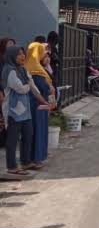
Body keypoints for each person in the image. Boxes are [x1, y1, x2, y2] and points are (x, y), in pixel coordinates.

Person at [2, 45, 49, 175]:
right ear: (12, 56)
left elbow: (33, 87)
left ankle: (26, 161)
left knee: (28, 135)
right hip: (13, 112)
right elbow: (21, 88)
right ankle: (11, 166)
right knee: (12, 139)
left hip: (25, 111)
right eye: (19, 54)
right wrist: (28, 84)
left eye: (23, 54)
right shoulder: (9, 71)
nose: (22, 57)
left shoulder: (23, 70)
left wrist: (43, 100)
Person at [26, 42, 55, 168]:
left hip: (38, 105)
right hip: (37, 105)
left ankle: (37, 158)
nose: (45, 55)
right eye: (43, 52)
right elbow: (41, 86)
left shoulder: (35, 67)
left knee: (38, 130)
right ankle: (36, 158)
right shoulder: (35, 70)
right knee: (37, 131)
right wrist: (50, 88)